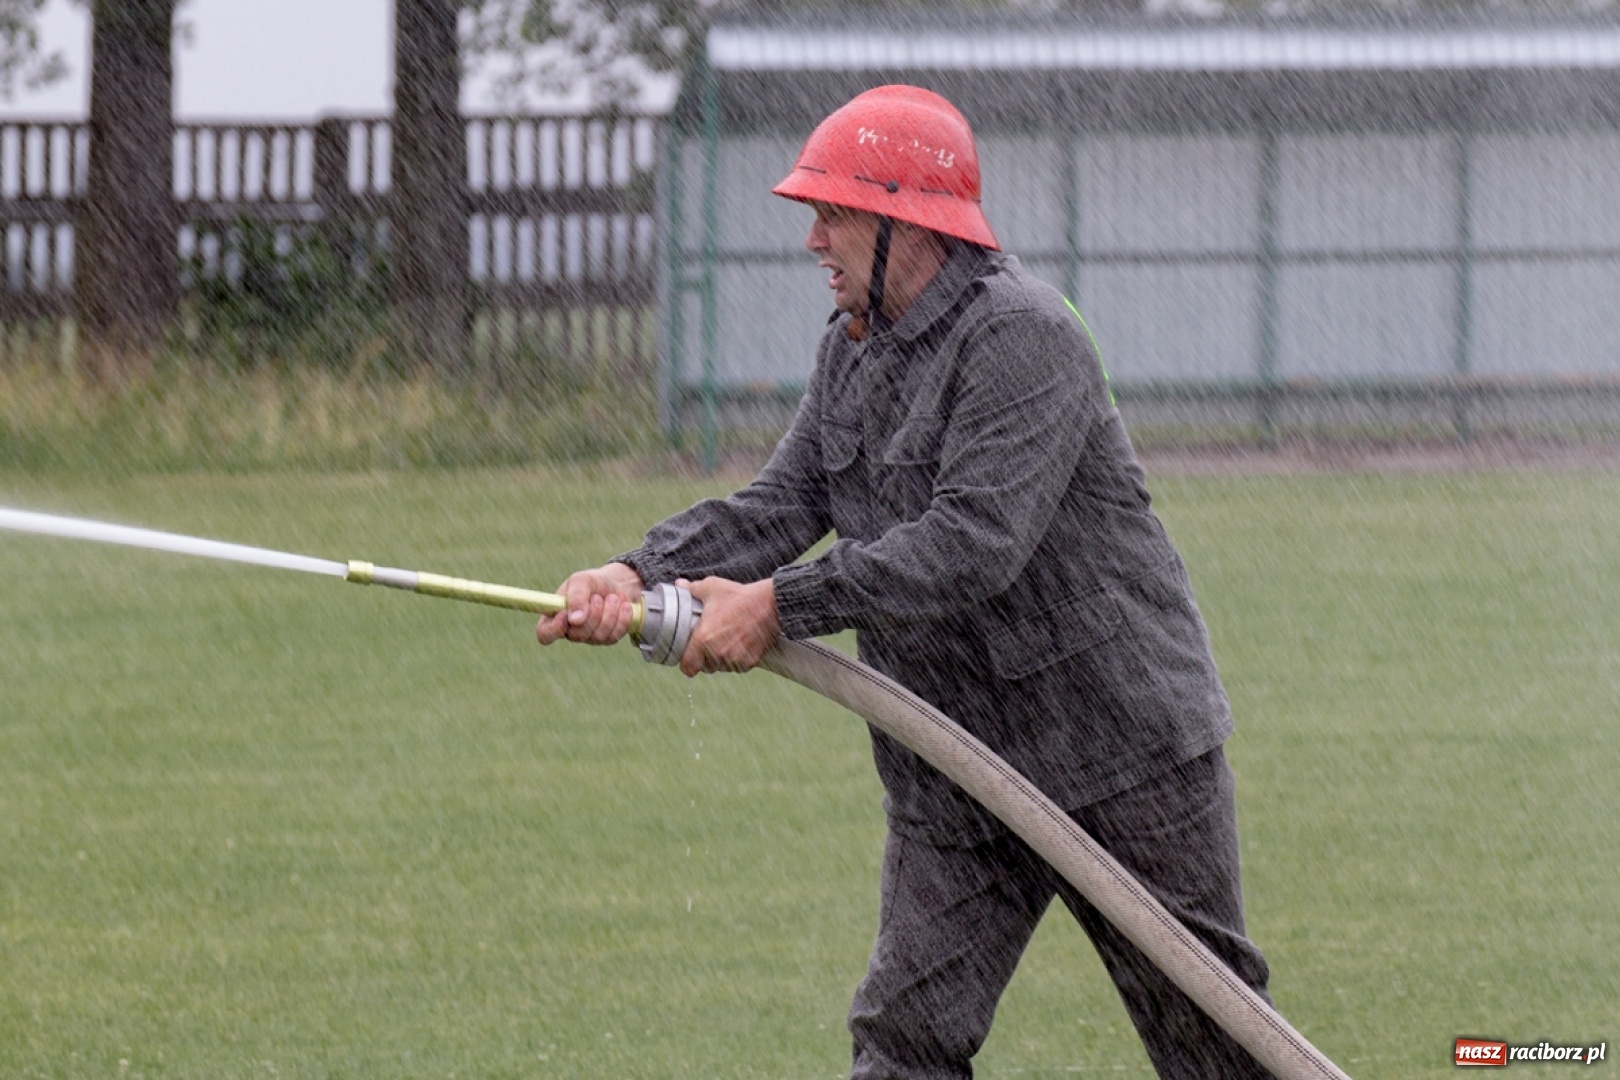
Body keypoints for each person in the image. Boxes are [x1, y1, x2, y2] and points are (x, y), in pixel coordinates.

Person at [537, 84, 1277, 1080]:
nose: (812, 241)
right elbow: (785, 503)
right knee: (905, 1045)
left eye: (830, 212)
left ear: (904, 220)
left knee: (1214, 1044)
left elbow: (974, 543)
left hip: (1122, 751)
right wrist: (635, 570)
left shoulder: (1024, 338)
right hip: (952, 758)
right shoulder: (850, 353)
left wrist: (781, 606)